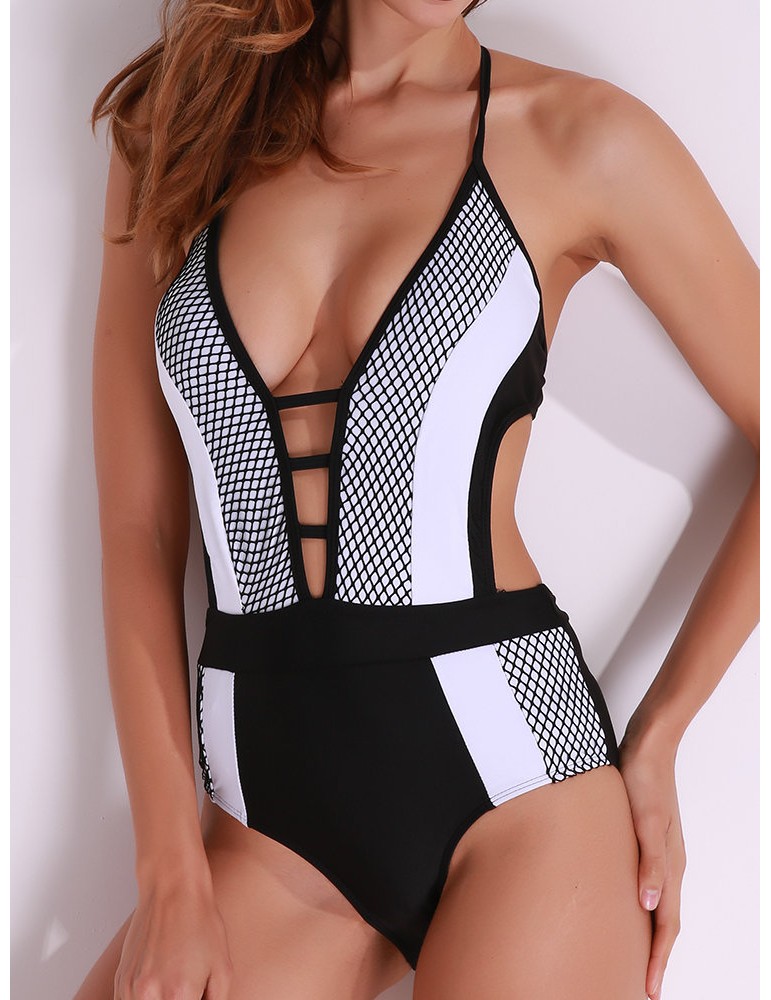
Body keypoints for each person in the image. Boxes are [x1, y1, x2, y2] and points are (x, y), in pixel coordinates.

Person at [75, 1, 759, 998]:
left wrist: (658, 737)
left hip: (519, 789)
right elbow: (138, 529)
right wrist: (168, 870)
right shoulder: (181, 129)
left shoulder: (574, 135)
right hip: (269, 827)